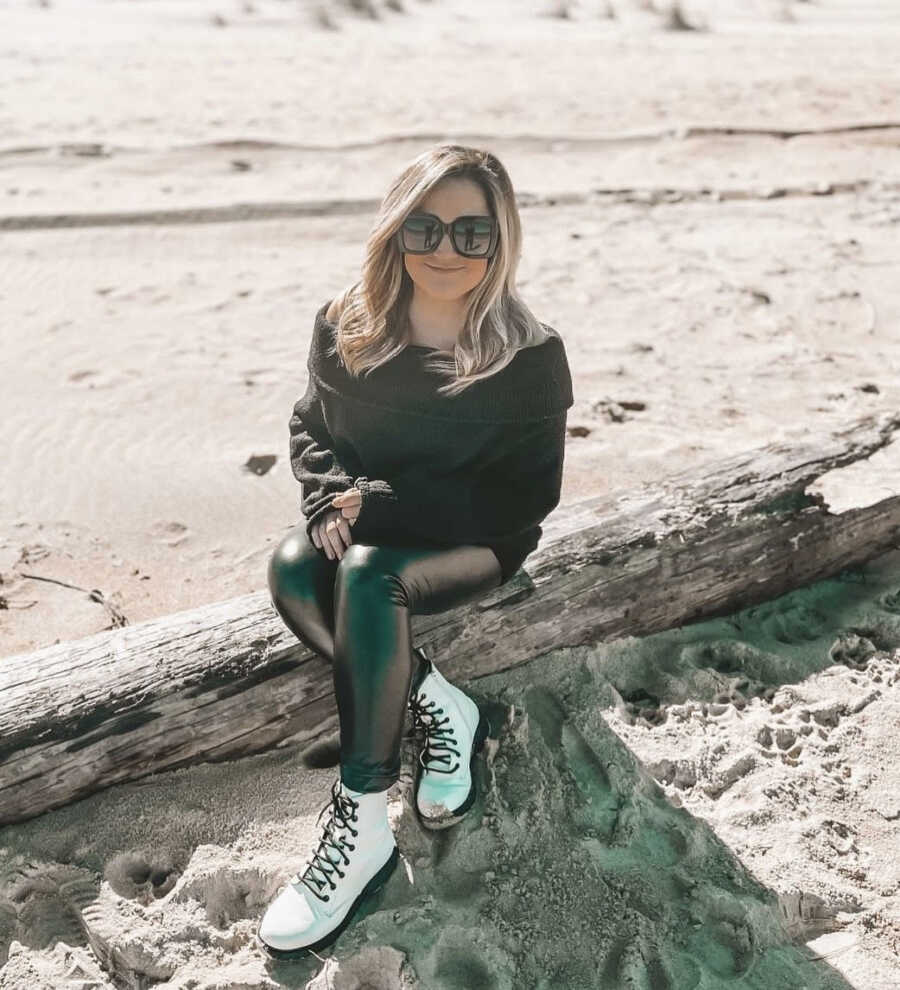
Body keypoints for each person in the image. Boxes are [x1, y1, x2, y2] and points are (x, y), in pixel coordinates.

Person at [257, 143, 574, 958]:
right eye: (425, 228)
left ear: (500, 243)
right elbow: (311, 426)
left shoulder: (528, 355)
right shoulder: (346, 325)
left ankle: (360, 821)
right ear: (395, 233)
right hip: (372, 522)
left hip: (477, 537)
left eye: (472, 234)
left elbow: (527, 495)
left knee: (366, 577)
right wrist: (328, 492)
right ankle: (439, 703)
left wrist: (379, 505)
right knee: (295, 567)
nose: (446, 250)